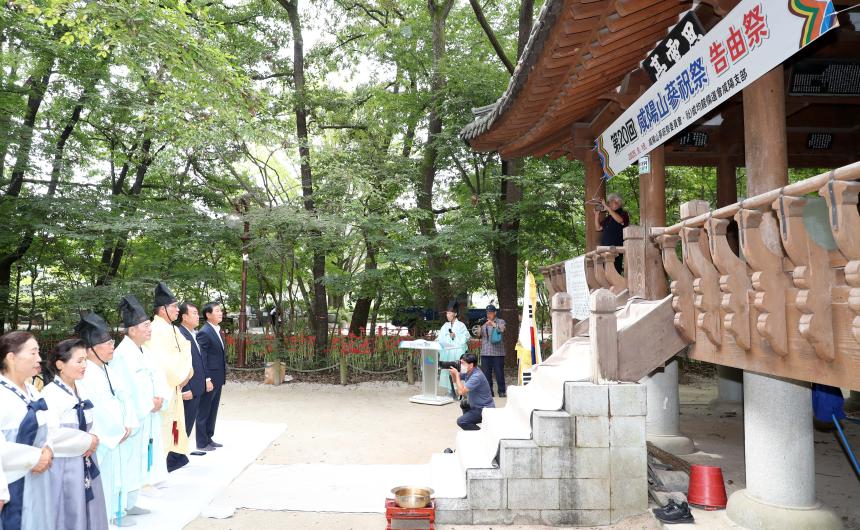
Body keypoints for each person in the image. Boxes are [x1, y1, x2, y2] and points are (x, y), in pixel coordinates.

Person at [74, 312, 135, 528]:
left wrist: (127, 423)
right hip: (102, 438)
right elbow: (96, 411)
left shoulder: (106, 369)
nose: (112, 347)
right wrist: (116, 432)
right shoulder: (86, 374)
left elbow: (125, 397)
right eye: (107, 343)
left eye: (112, 342)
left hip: (116, 434)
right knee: (103, 482)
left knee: (113, 480)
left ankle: (111, 517)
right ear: (91, 350)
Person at [41, 339, 108, 530]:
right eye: (79, 361)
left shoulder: (81, 389)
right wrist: (88, 440)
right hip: (65, 465)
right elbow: (51, 434)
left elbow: (91, 421)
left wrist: (93, 438)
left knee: (91, 508)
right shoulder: (49, 394)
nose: (85, 365)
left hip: (86, 458)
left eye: (86, 360)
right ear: (60, 364)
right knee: (68, 510)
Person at [112, 294, 170, 511]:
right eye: (145, 325)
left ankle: (132, 501)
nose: (149, 329)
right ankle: (121, 505)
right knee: (128, 459)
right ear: (132, 329)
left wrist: (160, 399)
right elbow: (126, 390)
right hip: (134, 417)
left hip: (148, 413)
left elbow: (158, 377)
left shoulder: (144, 351)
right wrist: (149, 403)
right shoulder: (122, 355)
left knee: (139, 459)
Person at [0, 331, 54, 530]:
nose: (39, 358)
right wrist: (34, 457)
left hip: (38, 479)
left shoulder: (33, 391)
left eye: (38, 352)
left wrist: (48, 448)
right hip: (12, 482)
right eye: (32, 353)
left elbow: (50, 427)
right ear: (11, 357)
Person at [146, 282, 193, 473]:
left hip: (175, 386)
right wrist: (182, 375)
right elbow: (162, 362)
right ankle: (159, 467)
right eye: (174, 307)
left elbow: (185, 349)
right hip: (164, 388)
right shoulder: (156, 329)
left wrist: (187, 373)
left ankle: (169, 460)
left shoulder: (170, 328)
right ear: (162, 309)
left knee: (173, 427)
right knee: (162, 430)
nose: (177, 310)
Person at [195, 302, 226, 451]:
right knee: (204, 409)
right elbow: (203, 358)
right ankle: (201, 442)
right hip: (210, 378)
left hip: (218, 377)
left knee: (213, 409)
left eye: (221, 310)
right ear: (208, 314)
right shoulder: (204, 332)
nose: (221, 313)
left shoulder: (217, 330)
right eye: (217, 311)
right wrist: (206, 379)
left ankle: (209, 437)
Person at [176, 303, 208, 443]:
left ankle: (180, 454)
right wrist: (185, 388)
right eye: (194, 313)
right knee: (183, 423)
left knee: (189, 422)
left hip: (197, 386)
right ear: (184, 317)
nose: (197, 316)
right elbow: (179, 364)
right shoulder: (180, 334)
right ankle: (174, 457)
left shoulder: (193, 333)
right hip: (189, 388)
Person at [447, 353, 495, 430]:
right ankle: (470, 426)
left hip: (484, 409)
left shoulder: (476, 376)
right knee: (464, 404)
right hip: (476, 405)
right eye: (460, 362)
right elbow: (455, 380)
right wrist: (453, 373)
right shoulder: (469, 371)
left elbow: (461, 392)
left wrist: (456, 374)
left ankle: (481, 433)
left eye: (463, 363)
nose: (460, 365)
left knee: (461, 421)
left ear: (471, 365)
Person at [437, 300, 469, 399]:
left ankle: (460, 391)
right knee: (448, 371)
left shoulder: (461, 325)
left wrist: (456, 335)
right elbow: (440, 338)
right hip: (447, 353)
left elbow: (466, 337)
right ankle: (450, 390)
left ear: (455, 314)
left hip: (456, 353)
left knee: (458, 372)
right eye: (447, 313)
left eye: (450, 313)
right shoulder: (445, 326)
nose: (447, 315)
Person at [593, 192, 630, 272]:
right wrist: (596, 216)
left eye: (610, 202)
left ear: (617, 203)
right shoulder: (609, 217)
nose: (608, 204)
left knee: (615, 271)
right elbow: (598, 228)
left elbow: (620, 220)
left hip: (615, 250)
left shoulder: (623, 213)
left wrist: (606, 207)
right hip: (605, 249)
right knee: (605, 273)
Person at [478, 304, 507, 398]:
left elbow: (502, 329)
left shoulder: (500, 321)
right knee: (486, 374)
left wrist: (493, 324)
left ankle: (502, 391)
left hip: (498, 352)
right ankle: (489, 392)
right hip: (485, 352)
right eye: (487, 313)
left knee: (499, 373)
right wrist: (480, 326)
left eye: (490, 313)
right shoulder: (484, 322)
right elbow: (478, 335)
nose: (488, 315)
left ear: (495, 313)